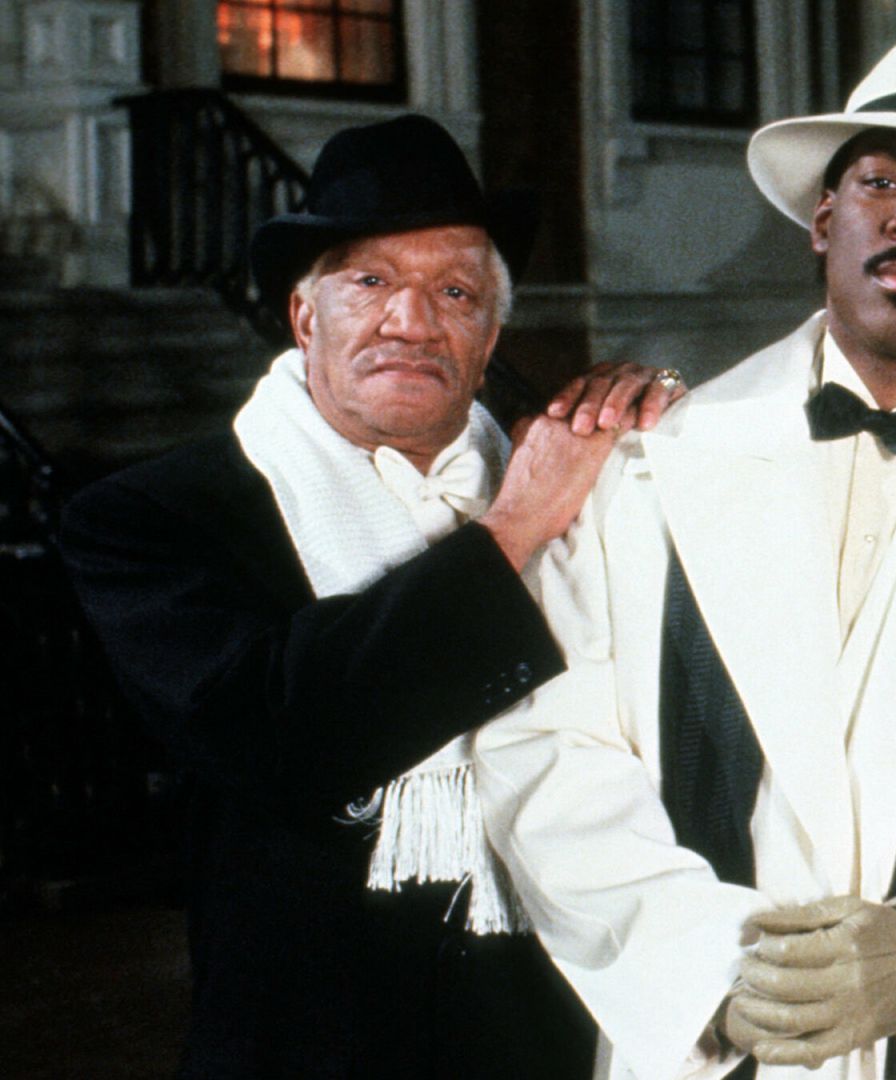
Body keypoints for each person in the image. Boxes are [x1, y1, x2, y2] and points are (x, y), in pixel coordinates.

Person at [474, 16, 896, 1079]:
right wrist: (705, 970)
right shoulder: (646, 462)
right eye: (881, 182)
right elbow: (549, 742)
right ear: (826, 219)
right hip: (705, 1048)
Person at [58, 114, 681, 1078]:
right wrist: (512, 528)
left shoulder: (576, 474)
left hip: (553, 1033)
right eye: (371, 283)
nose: (412, 322)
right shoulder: (148, 517)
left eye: (455, 292)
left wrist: (646, 422)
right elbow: (281, 736)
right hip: (305, 1045)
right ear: (305, 318)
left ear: (490, 336)